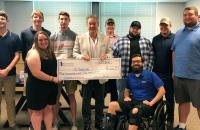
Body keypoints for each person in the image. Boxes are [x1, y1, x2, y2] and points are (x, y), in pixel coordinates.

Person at [104, 54, 165, 130]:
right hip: (134, 102)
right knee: (112, 105)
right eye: (134, 62)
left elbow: (162, 90)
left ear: (142, 63)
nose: (136, 63)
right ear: (131, 64)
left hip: (147, 103)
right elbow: (127, 89)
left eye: (138, 61)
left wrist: (152, 102)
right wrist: (126, 96)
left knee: (135, 111)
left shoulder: (151, 75)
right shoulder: (130, 76)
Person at [73, 15, 112, 130]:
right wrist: (81, 56)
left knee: (100, 101)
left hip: (100, 75)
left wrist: (107, 55)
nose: (92, 26)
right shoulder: (80, 38)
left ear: (98, 24)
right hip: (86, 76)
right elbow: (74, 53)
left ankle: (98, 123)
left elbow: (110, 52)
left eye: (94, 23)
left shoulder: (105, 38)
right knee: (86, 102)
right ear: (87, 25)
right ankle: (86, 123)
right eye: (90, 23)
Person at [20, 10, 51, 130]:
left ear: (43, 19)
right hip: (29, 71)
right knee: (31, 98)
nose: (37, 19)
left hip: (45, 72)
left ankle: (41, 122)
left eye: (39, 17)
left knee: (43, 98)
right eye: (35, 17)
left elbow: (49, 50)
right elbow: (24, 54)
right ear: (32, 18)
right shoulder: (24, 33)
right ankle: (32, 124)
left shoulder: (47, 32)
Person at [172, 6, 200, 130]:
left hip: (196, 77)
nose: (187, 17)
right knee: (182, 102)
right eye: (185, 15)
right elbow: (174, 51)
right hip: (179, 76)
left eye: (190, 14)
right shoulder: (178, 32)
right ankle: (182, 126)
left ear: (197, 16)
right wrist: (174, 70)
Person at [113, 21, 154, 102]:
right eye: (133, 28)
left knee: (140, 95)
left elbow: (151, 57)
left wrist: (147, 71)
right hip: (123, 75)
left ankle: (137, 113)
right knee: (122, 96)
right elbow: (114, 56)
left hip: (141, 75)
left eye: (137, 28)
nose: (135, 30)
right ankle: (122, 113)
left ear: (140, 30)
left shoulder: (146, 42)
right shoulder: (120, 41)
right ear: (129, 28)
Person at [26, 31, 59, 130]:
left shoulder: (49, 51)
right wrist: (53, 78)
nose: (43, 42)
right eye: (40, 40)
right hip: (37, 88)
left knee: (49, 109)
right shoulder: (33, 53)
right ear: (36, 41)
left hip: (50, 86)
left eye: (45, 39)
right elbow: (36, 73)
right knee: (37, 111)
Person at [50, 11, 77, 130]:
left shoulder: (75, 35)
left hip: (70, 70)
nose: (63, 21)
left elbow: (77, 53)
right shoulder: (53, 36)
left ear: (69, 21)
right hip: (56, 71)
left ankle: (74, 123)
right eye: (61, 19)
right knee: (56, 97)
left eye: (65, 19)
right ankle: (55, 122)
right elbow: (50, 54)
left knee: (71, 96)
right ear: (58, 20)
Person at [152, 17, 175, 129]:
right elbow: (152, 56)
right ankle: (160, 122)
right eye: (162, 25)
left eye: (166, 25)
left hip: (170, 75)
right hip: (157, 75)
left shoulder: (175, 38)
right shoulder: (155, 39)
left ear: (170, 26)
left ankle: (170, 121)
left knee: (170, 99)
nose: (163, 27)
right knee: (158, 100)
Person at [0, 10, 21, 130]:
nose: (0, 20)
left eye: (3, 18)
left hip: (10, 74)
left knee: (10, 100)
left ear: (7, 21)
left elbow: (17, 55)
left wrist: (7, 69)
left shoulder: (15, 37)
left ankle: (12, 124)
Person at [104, 18, 119, 101]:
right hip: (103, 67)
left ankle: (113, 110)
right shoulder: (101, 38)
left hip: (113, 68)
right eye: (108, 26)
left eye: (112, 27)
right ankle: (100, 109)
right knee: (102, 90)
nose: (110, 29)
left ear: (114, 27)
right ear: (105, 27)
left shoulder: (118, 39)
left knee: (114, 89)